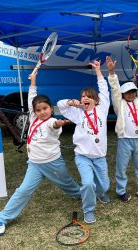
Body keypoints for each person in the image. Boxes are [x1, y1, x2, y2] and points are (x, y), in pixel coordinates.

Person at [0, 72, 81, 236]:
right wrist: (33, 80)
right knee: (23, 191)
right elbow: (31, 96)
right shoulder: (33, 118)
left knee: (68, 185)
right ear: (34, 111)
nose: (42, 112)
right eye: (38, 110)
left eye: (45, 108)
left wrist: (57, 123)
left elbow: (53, 126)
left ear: (51, 108)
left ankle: (85, 194)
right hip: (34, 164)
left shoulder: (51, 122)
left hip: (53, 163)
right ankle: (3, 218)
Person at [57, 60, 110, 224]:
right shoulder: (78, 114)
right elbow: (60, 106)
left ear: (97, 101)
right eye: (83, 96)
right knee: (88, 184)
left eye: (89, 97)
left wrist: (99, 71)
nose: (85, 98)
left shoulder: (102, 109)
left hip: (100, 156)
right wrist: (71, 102)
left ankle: (101, 193)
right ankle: (88, 210)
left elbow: (104, 90)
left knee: (104, 186)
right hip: (83, 157)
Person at [106, 55, 138, 202]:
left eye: (133, 91)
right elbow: (115, 89)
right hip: (125, 140)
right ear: (123, 94)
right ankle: (121, 190)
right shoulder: (119, 104)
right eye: (127, 92)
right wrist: (111, 74)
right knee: (121, 167)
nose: (131, 94)